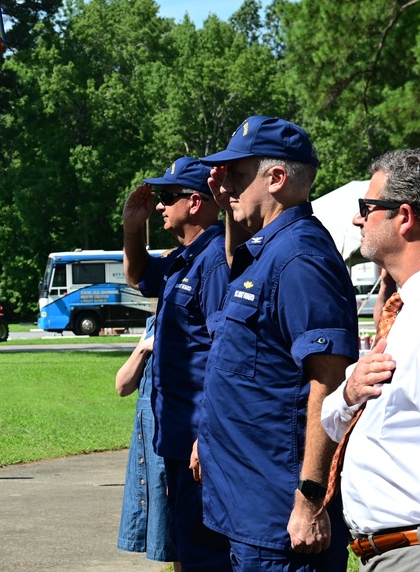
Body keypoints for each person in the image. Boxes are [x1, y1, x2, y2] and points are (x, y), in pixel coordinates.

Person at [195, 116, 358, 571]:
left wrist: (309, 500)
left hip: (280, 519)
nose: (225, 187)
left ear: (277, 178)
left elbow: (329, 383)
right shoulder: (268, 249)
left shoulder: (300, 258)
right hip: (250, 509)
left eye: (237, 177)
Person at [122, 156, 232, 570]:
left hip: (198, 440)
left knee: (205, 549)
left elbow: (224, 352)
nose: (161, 206)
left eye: (169, 197)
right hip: (175, 436)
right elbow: (139, 277)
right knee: (185, 542)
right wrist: (134, 228)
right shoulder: (183, 258)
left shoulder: (217, 261)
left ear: (197, 202)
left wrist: (208, 436)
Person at [321, 149, 420, 568]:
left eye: (367, 207)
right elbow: (332, 414)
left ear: (404, 216)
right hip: (382, 553)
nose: (358, 219)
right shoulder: (400, 313)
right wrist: (349, 392)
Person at [115, 316, 180, 569]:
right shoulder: (153, 324)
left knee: (181, 532)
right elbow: (122, 386)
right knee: (169, 534)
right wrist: (143, 347)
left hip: (173, 444)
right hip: (152, 445)